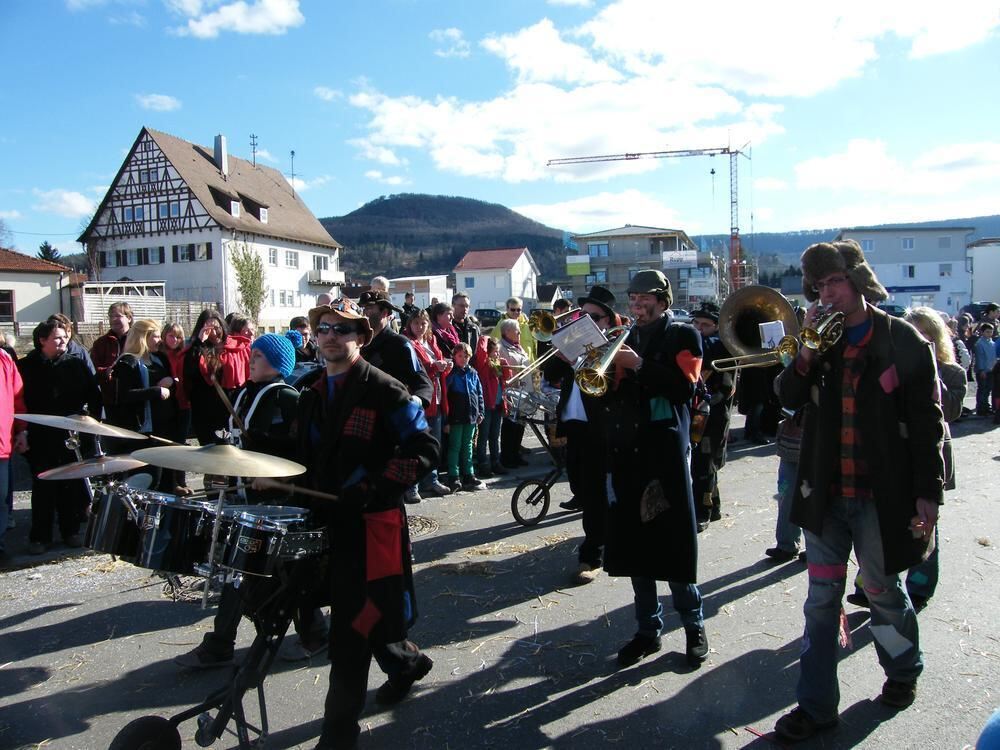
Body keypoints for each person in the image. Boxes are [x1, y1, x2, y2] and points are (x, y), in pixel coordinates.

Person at [772, 241, 945, 742]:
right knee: (821, 601)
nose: (827, 294)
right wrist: (803, 355)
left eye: (835, 282)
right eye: (820, 286)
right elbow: (786, 399)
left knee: (881, 591)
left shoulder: (903, 340)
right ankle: (816, 706)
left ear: (859, 281)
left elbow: (927, 423)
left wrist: (928, 493)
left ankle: (903, 672)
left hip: (880, 498)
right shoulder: (816, 340)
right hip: (825, 496)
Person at [295, 302, 439, 750]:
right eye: (324, 329)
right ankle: (406, 664)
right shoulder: (311, 389)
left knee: (352, 632)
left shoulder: (385, 390)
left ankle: (338, 737)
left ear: (360, 336)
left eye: (341, 329)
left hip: (372, 525)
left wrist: (375, 487)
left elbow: (424, 449)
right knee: (355, 616)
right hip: (326, 524)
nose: (331, 336)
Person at [175, 333, 326, 668]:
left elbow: (297, 448)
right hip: (246, 494)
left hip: (278, 497)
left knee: (250, 568)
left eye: (258, 355)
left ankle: (222, 644)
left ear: (276, 363)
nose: (251, 359)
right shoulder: (244, 393)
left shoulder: (286, 397)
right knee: (265, 570)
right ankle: (313, 630)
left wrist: (273, 473)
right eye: (252, 355)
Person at [600, 270, 708, 669]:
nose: (635, 305)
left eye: (643, 298)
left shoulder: (684, 335)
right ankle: (648, 630)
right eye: (631, 298)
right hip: (628, 451)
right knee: (635, 546)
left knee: (674, 543)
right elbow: (607, 393)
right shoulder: (622, 336)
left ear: (662, 300)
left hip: (664, 451)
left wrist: (640, 364)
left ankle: (694, 627)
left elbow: (685, 389)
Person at [845, 306, 967, 611]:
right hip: (894, 456)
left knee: (923, 524)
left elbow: (950, 411)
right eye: (912, 331)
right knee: (885, 518)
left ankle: (921, 585)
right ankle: (870, 580)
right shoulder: (891, 363)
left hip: (930, 457)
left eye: (924, 333)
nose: (916, 338)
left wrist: (928, 371)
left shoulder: (953, 371)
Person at [542, 285, 617, 584]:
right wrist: (560, 357)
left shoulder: (613, 348)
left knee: (596, 493)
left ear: (607, 321)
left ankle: (591, 555)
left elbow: (611, 389)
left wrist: (582, 361)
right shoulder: (574, 342)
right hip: (573, 427)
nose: (585, 321)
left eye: (593, 316)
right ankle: (602, 536)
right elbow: (550, 376)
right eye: (582, 314)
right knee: (580, 489)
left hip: (598, 429)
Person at [18, 320, 101, 554]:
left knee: (70, 485)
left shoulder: (75, 363)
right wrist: (21, 431)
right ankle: (40, 537)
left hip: (69, 435)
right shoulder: (27, 366)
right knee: (43, 486)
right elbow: (19, 401)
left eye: (65, 337)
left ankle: (71, 531)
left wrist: (90, 420)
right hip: (40, 435)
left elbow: (93, 395)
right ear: (42, 341)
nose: (63, 341)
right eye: (57, 338)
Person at [106, 319, 177, 482]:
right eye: (156, 336)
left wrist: (172, 381)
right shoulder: (127, 362)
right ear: (143, 337)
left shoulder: (158, 359)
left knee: (162, 477)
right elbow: (125, 396)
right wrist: (155, 391)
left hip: (161, 428)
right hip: (140, 430)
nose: (160, 340)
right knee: (146, 477)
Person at [688, 302, 735, 531]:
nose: (699, 328)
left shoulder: (722, 345)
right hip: (700, 413)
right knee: (702, 464)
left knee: (705, 465)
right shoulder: (704, 343)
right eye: (696, 323)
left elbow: (725, 389)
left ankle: (703, 512)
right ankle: (714, 507)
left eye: (705, 325)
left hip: (714, 415)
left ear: (716, 327)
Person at [402, 311, 453, 500]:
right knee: (416, 445)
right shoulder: (407, 342)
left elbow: (435, 365)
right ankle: (412, 486)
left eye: (423, 323)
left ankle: (431, 479)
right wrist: (435, 366)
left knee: (433, 444)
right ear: (410, 324)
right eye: (416, 323)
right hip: (419, 400)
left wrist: (446, 367)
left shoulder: (430, 341)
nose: (420, 327)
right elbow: (416, 369)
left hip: (437, 397)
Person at [183, 310, 250, 449]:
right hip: (206, 409)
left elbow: (247, 373)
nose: (212, 332)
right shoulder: (197, 349)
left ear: (222, 326)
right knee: (210, 452)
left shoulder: (237, 346)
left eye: (216, 327)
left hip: (232, 406)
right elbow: (190, 372)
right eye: (208, 329)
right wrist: (199, 343)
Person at [359, 291, 433, 409]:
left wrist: (415, 401)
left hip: (390, 414)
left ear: (384, 313)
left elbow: (422, 382)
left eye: (369, 309)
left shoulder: (400, 344)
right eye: (364, 309)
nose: (364, 314)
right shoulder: (359, 343)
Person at [444, 342, 486, 492]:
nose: (463, 359)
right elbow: (446, 396)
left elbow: (479, 394)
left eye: (466, 356)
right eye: (460, 356)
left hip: (471, 416)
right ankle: (454, 475)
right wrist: (447, 419)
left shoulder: (473, 373)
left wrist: (481, 412)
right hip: (456, 416)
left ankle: (468, 473)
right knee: (455, 446)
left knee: (468, 445)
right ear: (454, 357)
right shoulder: (451, 374)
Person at [0, 348, 27, 560]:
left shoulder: (4, 358)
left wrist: (22, 430)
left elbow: (17, 398)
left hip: (2, 445)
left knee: (1, 500)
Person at [159, 322, 192, 492]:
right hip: (167, 404)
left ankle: (181, 481)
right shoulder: (159, 354)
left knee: (180, 444)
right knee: (168, 444)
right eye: (171, 336)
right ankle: (172, 483)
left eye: (178, 337)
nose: (175, 339)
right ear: (164, 336)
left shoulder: (183, 355)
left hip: (183, 403)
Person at [497, 318, 532, 469]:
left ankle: (516, 453)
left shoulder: (517, 346)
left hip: (524, 391)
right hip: (512, 391)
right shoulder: (502, 347)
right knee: (510, 425)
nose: (519, 332)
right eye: (516, 330)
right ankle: (507, 456)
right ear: (507, 332)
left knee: (520, 424)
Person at [472, 336, 509, 478]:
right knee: (483, 436)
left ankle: (495, 462)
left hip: (498, 404)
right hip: (487, 405)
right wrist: (486, 337)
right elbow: (481, 349)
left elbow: (507, 378)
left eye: (498, 352)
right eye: (495, 352)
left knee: (494, 436)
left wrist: (504, 365)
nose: (497, 355)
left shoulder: (497, 365)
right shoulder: (483, 365)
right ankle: (483, 464)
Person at [91, 302, 133, 403]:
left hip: (134, 398)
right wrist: (106, 371)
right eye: (111, 316)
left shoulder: (138, 340)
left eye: (118, 316)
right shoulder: (100, 343)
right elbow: (92, 368)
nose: (113, 319)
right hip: (109, 400)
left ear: (129, 318)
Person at [490, 297, 536, 361]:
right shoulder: (501, 325)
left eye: (519, 310)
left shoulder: (526, 324)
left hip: (529, 365)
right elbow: (493, 348)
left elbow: (533, 346)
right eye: (513, 309)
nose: (516, 312)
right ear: (507, 309)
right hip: (511, 367)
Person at [973, 321, 996, 416]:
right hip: (983, 370)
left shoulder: (992, 343)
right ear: (982, 332)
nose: (989, 333)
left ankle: (986, 406)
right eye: (987, 331)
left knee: (988, 389)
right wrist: (981, 370)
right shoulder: (979, 344)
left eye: (991, 331)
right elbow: (979, 358)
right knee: (982, 389)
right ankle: (981, 408)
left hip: (991, 370)